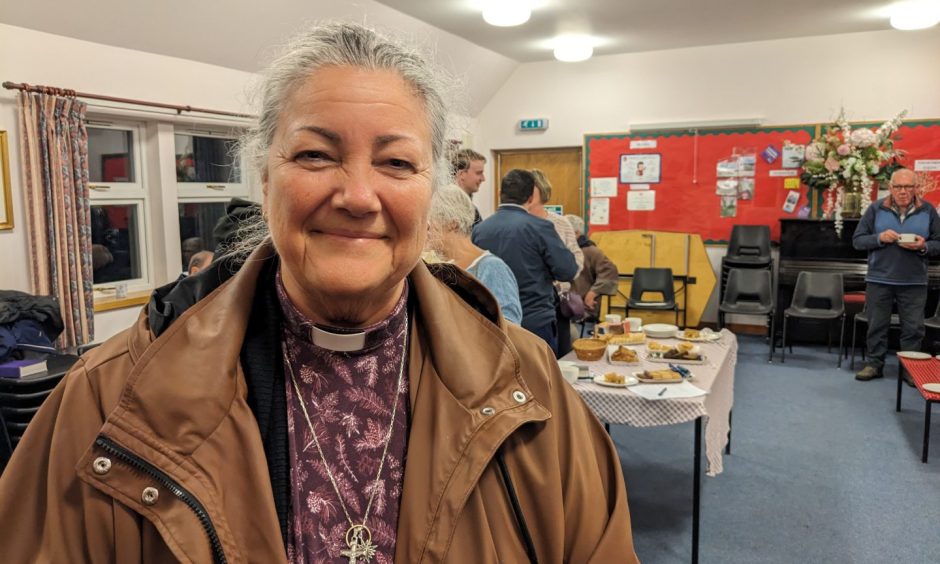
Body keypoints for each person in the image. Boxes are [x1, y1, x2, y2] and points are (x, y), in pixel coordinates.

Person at [0, 23, 638, 563]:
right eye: (314, 155)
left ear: (435, 190)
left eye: (395, 163)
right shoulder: (109, 402)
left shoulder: (533, 391)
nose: (358, 197)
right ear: (264, 175)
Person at [473, 169, 580, 356]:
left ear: (500, 194)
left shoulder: (480, 230)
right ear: (531, 198)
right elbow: (568, 271)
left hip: (491, 321)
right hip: (535, 321)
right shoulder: (540, 227)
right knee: (540, 382)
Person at [853, 167, 940, 382]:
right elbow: (858, 240)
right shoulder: (875, 209)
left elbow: (938, 243)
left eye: (908, 186)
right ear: (890, 188)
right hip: (878, 279)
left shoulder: (928, 210)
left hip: (914, 281)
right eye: (898, 186)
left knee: (913, 329)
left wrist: (924, 246)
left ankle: (910, 369)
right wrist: (879, 238)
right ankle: (874, 364)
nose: (903, 191)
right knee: (877, 325)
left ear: (916, 188)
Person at [427, 186, 523, 324]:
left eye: (429, 220)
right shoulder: (435, 266)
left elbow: (509, 329)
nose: (426, 228)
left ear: (452, 223)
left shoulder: (492, 268)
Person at [527, 169, 583, 356]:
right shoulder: (517, 223)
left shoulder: (560, 223)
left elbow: (577, 256)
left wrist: (563, 275)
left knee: (559, 354)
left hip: (558, 301)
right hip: (528, 300)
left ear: (541, 192)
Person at [566, 214, 620, 316]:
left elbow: (610, 272)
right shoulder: (560, 249)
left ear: (576, 234)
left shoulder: (591, 251)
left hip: (579, 304)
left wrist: (593, 293)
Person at [450, 148, 486, 226]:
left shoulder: (471, 209)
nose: (483, 179)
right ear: (461, 174)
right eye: (478, 173)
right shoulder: (447, 208)